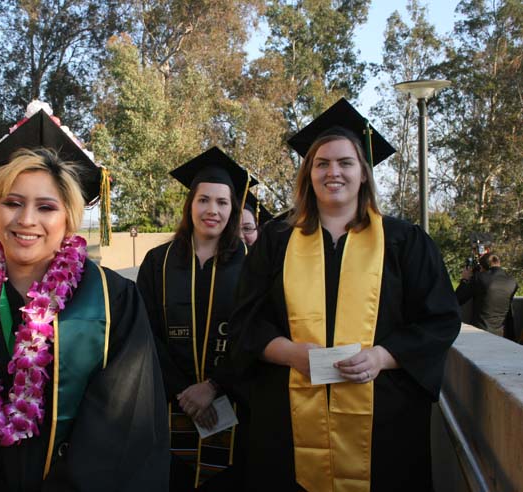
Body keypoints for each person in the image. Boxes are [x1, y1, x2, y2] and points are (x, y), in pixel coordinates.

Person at [0, 108, 169, 492]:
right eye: (13, 202)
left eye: (46, 207)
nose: (26, 219)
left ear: (68, 218)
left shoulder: (113, 302)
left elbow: (124, 424)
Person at [229, 98, 461, 491]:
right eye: (322, 163)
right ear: (309, 173)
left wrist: (381, 357)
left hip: (384, 424)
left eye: (345, 163)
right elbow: (245, 320)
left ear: (364, 174)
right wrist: (291, 353)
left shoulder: (405, 242)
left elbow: (439, 319)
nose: (333, 172)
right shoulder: (276, 240)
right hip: (289, 417)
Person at [136, 147, 255, 491]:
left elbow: (255, 334)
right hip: (170, 406)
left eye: (222, 202)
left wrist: (215, 387)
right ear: (190, 205)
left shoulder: (252, 264)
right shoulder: (158, 261)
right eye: (204, 200)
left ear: (233, 209)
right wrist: (184, 393)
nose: (212, 210)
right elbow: (144, 332)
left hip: (235, 406)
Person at [456, 252, 519, 339]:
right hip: (504, 334)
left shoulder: (479, 278)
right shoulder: (513, 282)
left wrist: (464, 279)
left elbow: (458, 299)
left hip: (481, 332)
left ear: (481, 267)